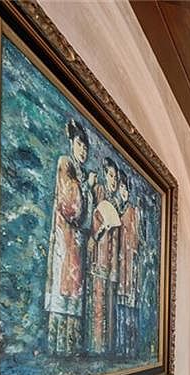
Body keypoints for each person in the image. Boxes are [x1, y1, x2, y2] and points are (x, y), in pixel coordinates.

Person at [44, 119, 93, 355]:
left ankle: (70, 347)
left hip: (78, 241)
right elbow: (70, 205)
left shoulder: (81, 173)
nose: (82, 150)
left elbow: (88, 217)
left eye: (85, 147)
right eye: (79, 144)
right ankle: (56, 347)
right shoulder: (66, 164)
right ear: (72, 144)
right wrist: (85, 187)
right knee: (63, 287)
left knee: (75, 289)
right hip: (65, 237)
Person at [87, 157, 122, 355]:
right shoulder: (99, 192)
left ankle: (107, 346)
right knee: (97, 297)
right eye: (111, 176)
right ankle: (96, 346)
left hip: (110, 259)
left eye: (115, 177)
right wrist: (101, 230)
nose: (113, 181)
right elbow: (94, 220)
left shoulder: (116, 201)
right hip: (99, 254)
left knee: (109, 299)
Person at [115, 177, 141, 357]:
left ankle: (130, 347)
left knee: (130, 305)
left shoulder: (133, 212)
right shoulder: (117, 208)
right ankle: (120, 346)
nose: (123, 192)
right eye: (121, 188)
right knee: (119, 305)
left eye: (126, 189)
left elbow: (137, 240)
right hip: (119, 264)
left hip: (130, 264)